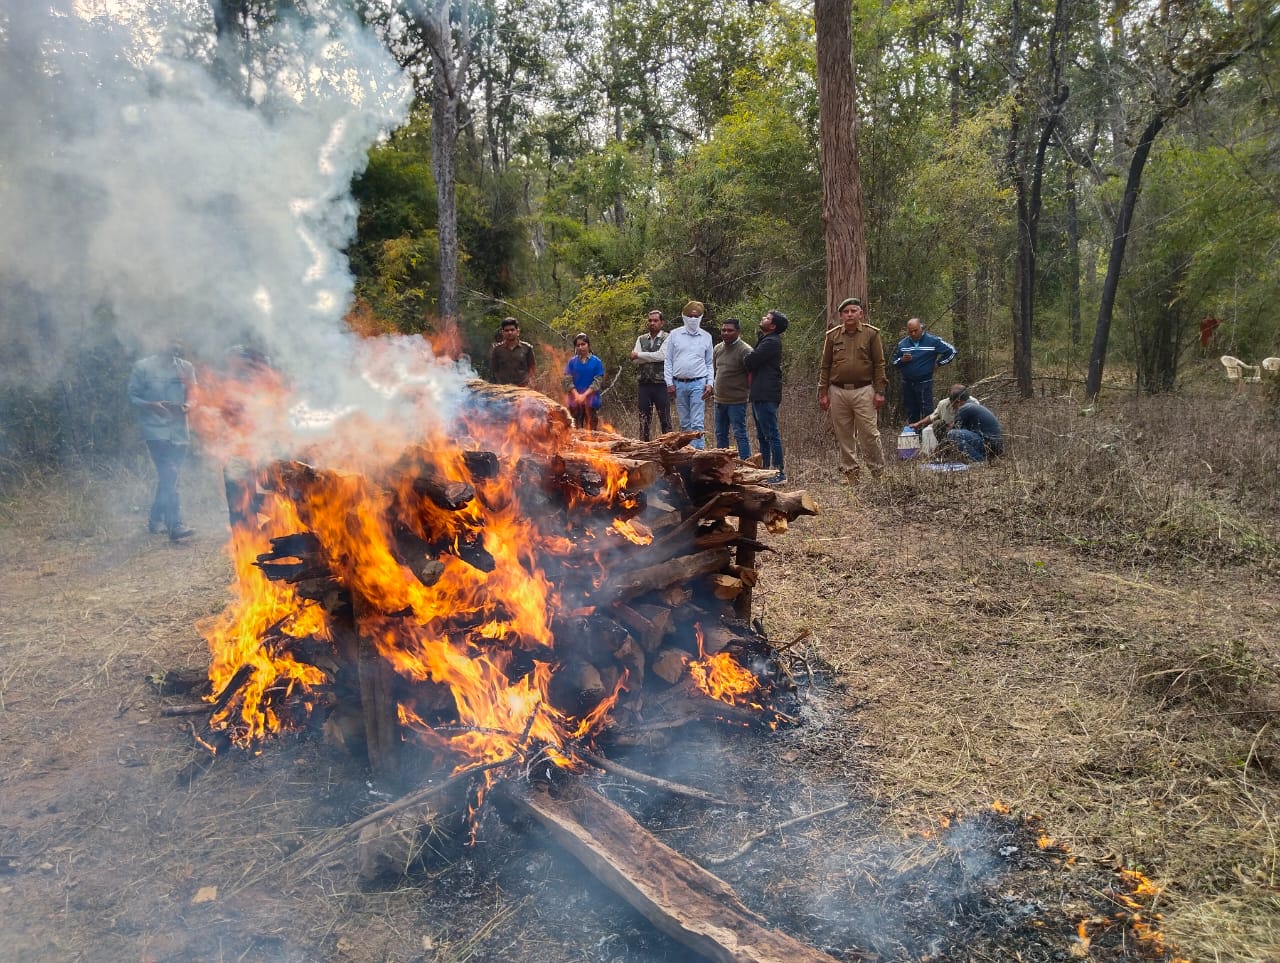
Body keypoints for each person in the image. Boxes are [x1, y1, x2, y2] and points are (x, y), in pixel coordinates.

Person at [128, 338, 197, 541]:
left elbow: (194, 393)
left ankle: (154, 518)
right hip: (155, 430)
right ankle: (175, 525)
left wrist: (188, 406)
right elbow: (133, 396)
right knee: (170, 473)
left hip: (179, 431)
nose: (172, 350)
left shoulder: (186, 368)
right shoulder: (142, 367)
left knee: (169, 477)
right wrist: (152, 405)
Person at [819, 297, 887, 482]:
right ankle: (851, 474)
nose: (849, 314)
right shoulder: (832, 336)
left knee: (869, 434)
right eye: (846, 312)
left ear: (860, 314)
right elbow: (825, 366)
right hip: (837, 391)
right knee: (844, 435)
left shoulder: (871, 334)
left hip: (864, 390)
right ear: (841, 316)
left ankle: (878, 473)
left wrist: (880, 391)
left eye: (853, 311)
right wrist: (823, 392)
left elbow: (879, 364)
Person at [663, 300, 713, 450]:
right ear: (684, 317)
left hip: (698, 383)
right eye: (690, 316)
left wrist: (710, 383)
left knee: (697, 422)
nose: (693, 318)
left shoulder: (706, 337)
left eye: (696, 316)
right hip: (679, 384)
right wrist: (669, 383)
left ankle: (699, 455)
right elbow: (668, 360)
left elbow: (709, 363)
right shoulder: (675, 335)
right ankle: (687, 454)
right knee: (685, 423)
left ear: (701, 317)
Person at [745, 309, 787, 482]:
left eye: (767, 318)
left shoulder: (771, 342)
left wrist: (748, 359)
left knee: (771, 434)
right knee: (762, 435)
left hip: (766, 393)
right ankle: (765, 472)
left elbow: (750, 360)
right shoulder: (765, 339)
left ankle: (779, 473)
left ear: (773, 325)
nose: (763, 318)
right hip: (759, 393)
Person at [892, 317, 957, 424]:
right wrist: (902, 360)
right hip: (907, 383)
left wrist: (939, 363)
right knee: (911, 411)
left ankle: (928, 435)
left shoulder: (933, 341)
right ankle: (915, 436)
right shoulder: (903, 344)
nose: (913, 333)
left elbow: (952, 351)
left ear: (921, 328)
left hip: (924, 383)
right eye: (910, 331)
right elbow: (894, 362)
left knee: (927, 410)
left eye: (915, 330)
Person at [712, 317, 752, 459]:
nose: (726, 333)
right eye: (723, 330)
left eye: (730, 330)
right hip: (718, 400)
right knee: (720, 434)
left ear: (738, 332)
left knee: (739, 433)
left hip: (736, 401)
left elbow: (751, 375)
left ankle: (747, 464)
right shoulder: (717, 348)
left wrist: (745, 392)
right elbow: (716, 371)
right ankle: (722, 464)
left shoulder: (745, 350)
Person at [630, 309, 672, 440]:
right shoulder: (641, 338)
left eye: (655, 320)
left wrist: (640, 355)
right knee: (644, 421)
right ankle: (644, 450)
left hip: (661, 384)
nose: (652, 323)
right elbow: (635, 360)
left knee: (665, 420)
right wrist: (646, 357)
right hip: (644, 385)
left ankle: (670, 450)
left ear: (662, 322)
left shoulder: (668, 337)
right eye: (650, 320)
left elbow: (662, 356)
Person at [908, 382, 973, 456]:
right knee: (937, 424)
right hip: (949, 434)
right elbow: (932, 417)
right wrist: (918, 424)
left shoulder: (973, 404)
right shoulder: (943, 404)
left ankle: (963, 453)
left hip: (967, 433)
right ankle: (945, 452)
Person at [947, 388, 1004, 461]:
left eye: (952, 404)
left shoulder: (965, 408)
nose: (952, 407)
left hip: (989, 444)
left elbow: (953, 430)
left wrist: (937, 451)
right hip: (995, 446)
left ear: (958, 401)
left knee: (952, 434)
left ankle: (979, 460)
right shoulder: (972, 405)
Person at [563, 332, 605, 430]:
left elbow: (597, 382)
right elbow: (567, 381)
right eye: (578, 345)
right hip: (575, 404)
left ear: (588, 345)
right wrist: (577, 395)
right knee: (574, 433)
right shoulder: (572, 362)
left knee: (591, 434)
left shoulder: (596, 362)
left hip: (591, 404)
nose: (581, 347)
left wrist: (584, 395)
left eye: (583, 344)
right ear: (575, 347)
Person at [489, 317, 536, 387]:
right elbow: (494, 370)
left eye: (512, 330)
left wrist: (530, 383)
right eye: (506, 330)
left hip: (523, 389)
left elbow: (532, 368)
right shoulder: (497, 350)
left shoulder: (527, 348)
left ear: (518, 331)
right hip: (503, 390)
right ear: (503, 332)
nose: (509, 332)